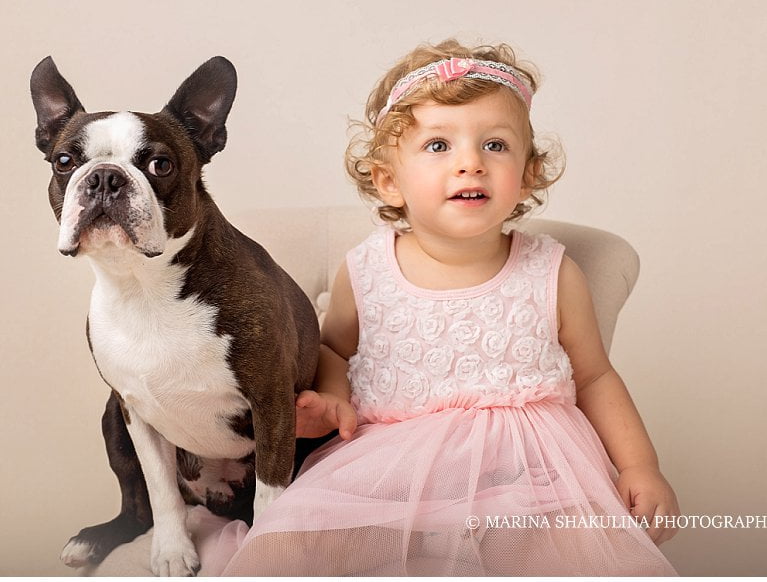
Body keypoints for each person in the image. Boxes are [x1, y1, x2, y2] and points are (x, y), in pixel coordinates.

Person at [202, 39, 680, 575]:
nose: (470, 163)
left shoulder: (552, 272)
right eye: (438, 147)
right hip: (390, 465)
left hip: (529, 474)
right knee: (287, 551)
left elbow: (594, 377)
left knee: (593, 561)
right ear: (389, 180)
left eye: (495, 145)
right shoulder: (367, 269)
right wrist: (334, 399)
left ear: (526, 174)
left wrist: (641, 465)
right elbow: (334, 348)